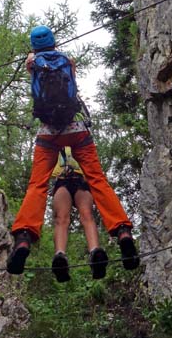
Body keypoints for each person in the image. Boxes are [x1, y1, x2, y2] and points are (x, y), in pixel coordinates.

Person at [7, 25, 139, 275]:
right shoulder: (67, 60)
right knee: (98, 180)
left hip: (48, 132)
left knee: (37, 185)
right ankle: (122, 231)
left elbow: (33, 76)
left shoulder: (32, 61)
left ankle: (24, 237)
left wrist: (32, 59)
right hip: (77, 128)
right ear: (53, 42)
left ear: (34, 45)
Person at [50, 146, 108, 282]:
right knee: (61, 218)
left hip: (80, 179)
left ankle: (95, 252)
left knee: (87, 215)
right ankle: (60, 256)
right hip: (62, 180)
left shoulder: (80, 144)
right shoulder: (55, 147)